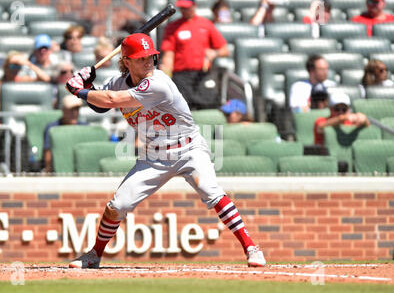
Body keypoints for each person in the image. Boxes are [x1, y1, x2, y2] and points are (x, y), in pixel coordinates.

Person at [65, 33, 266, 269]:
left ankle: (251, 248)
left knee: (212, 192)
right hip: (154, 156)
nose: (148, 61)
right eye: (141, 58)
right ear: (126, 61)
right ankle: (94, 255)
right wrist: (88, 84)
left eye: (151, 56)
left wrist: (78, 90)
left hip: (188, 149)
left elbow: (110, 100)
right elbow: (99, 105)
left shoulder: (157, 83)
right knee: (117, 206)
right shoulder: (118, 83)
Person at [159, 0, 230, 110]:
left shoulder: (206, 24)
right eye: (182, 8)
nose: (184, 10)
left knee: (209, 107)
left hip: (202, 74)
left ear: (194, 6)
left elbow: (225, 50)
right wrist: (166, 75)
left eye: (187, 7)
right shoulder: (172, 27)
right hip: (181, 77)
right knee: (182, 109)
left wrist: (214, 53)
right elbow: (169, 54)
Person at [43, 95, 87, 173]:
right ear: (63, 110)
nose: (75, 113)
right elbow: (48, 152)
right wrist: (48, 172)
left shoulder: (85, 127)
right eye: (71, 110)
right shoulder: (52, 128)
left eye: (77, 109)